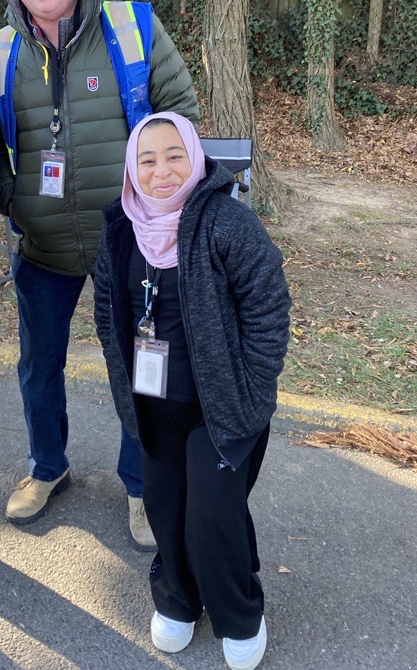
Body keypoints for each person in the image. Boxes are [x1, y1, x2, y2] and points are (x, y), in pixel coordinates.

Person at [0, 0, 200, 546]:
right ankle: (47, 468)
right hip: (44, 246)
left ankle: (142, 486)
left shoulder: (132, 30)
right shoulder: (0, 52)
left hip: (131, 246)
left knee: (142, 369)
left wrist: (156, 199)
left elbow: (180, 118)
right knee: (38, 366)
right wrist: (10, 197)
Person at [93, 112, 290, 670]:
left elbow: (268, 308)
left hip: (223, 407)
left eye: (175, 155)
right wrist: (122, 382)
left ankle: (239, 612)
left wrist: (252, 391)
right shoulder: (121, 227)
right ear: (132, 167)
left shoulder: (226, 223)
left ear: (197, 160)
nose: (161, 171)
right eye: (147, 159)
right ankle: (178, 599)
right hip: (153, 405)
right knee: (166, 504)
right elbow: (107, 311)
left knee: (211, 512)